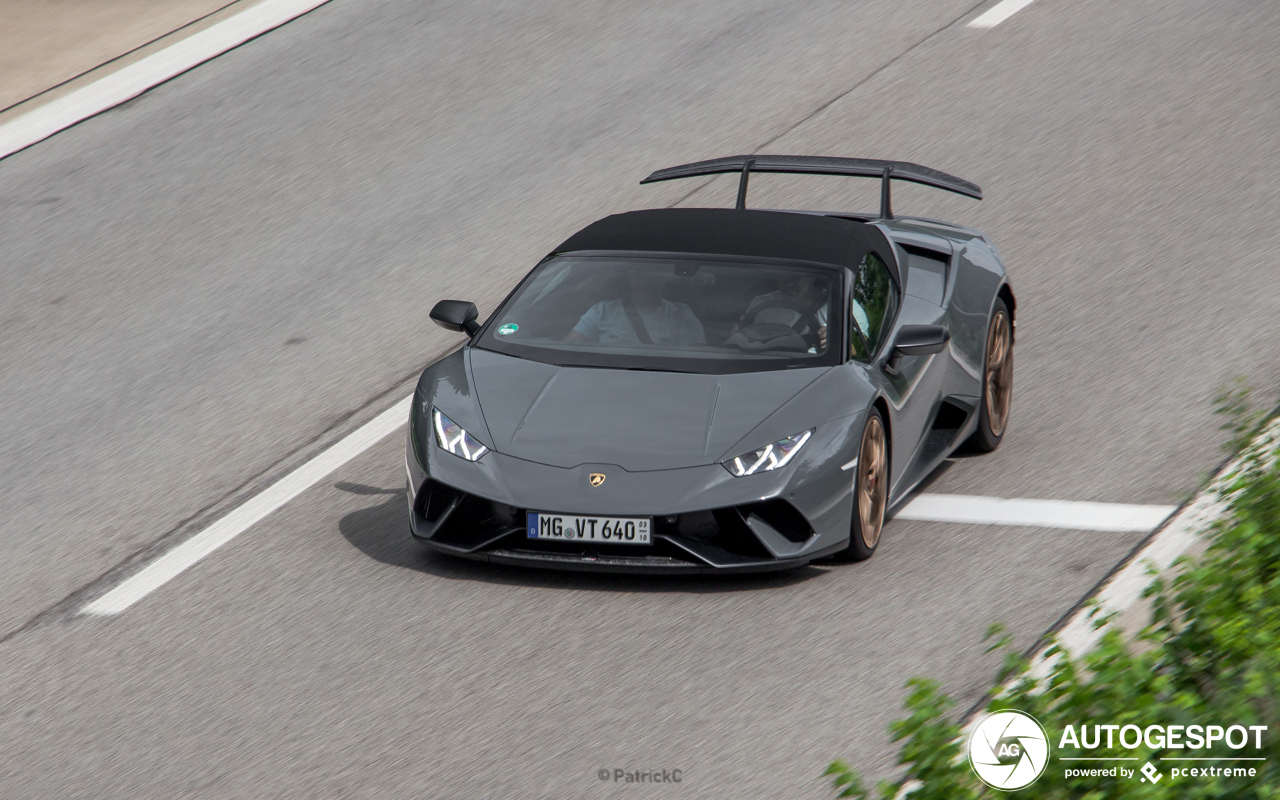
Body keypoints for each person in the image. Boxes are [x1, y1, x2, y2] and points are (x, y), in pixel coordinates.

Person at [564, 267, 705, 346]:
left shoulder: (682, 316)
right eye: (638, 276)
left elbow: (697, 362)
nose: (643, 283)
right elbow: (568, 350)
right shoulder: (601, 311)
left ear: (663, 280)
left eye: (651, 277)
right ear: (630, 278)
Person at [737, 272, 830, 350]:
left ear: (811, 278)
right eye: (784, 277)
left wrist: (831, 338)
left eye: (796, 277)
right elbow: (746, 342)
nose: (789, 284)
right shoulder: (761, 303)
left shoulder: (835, 305)